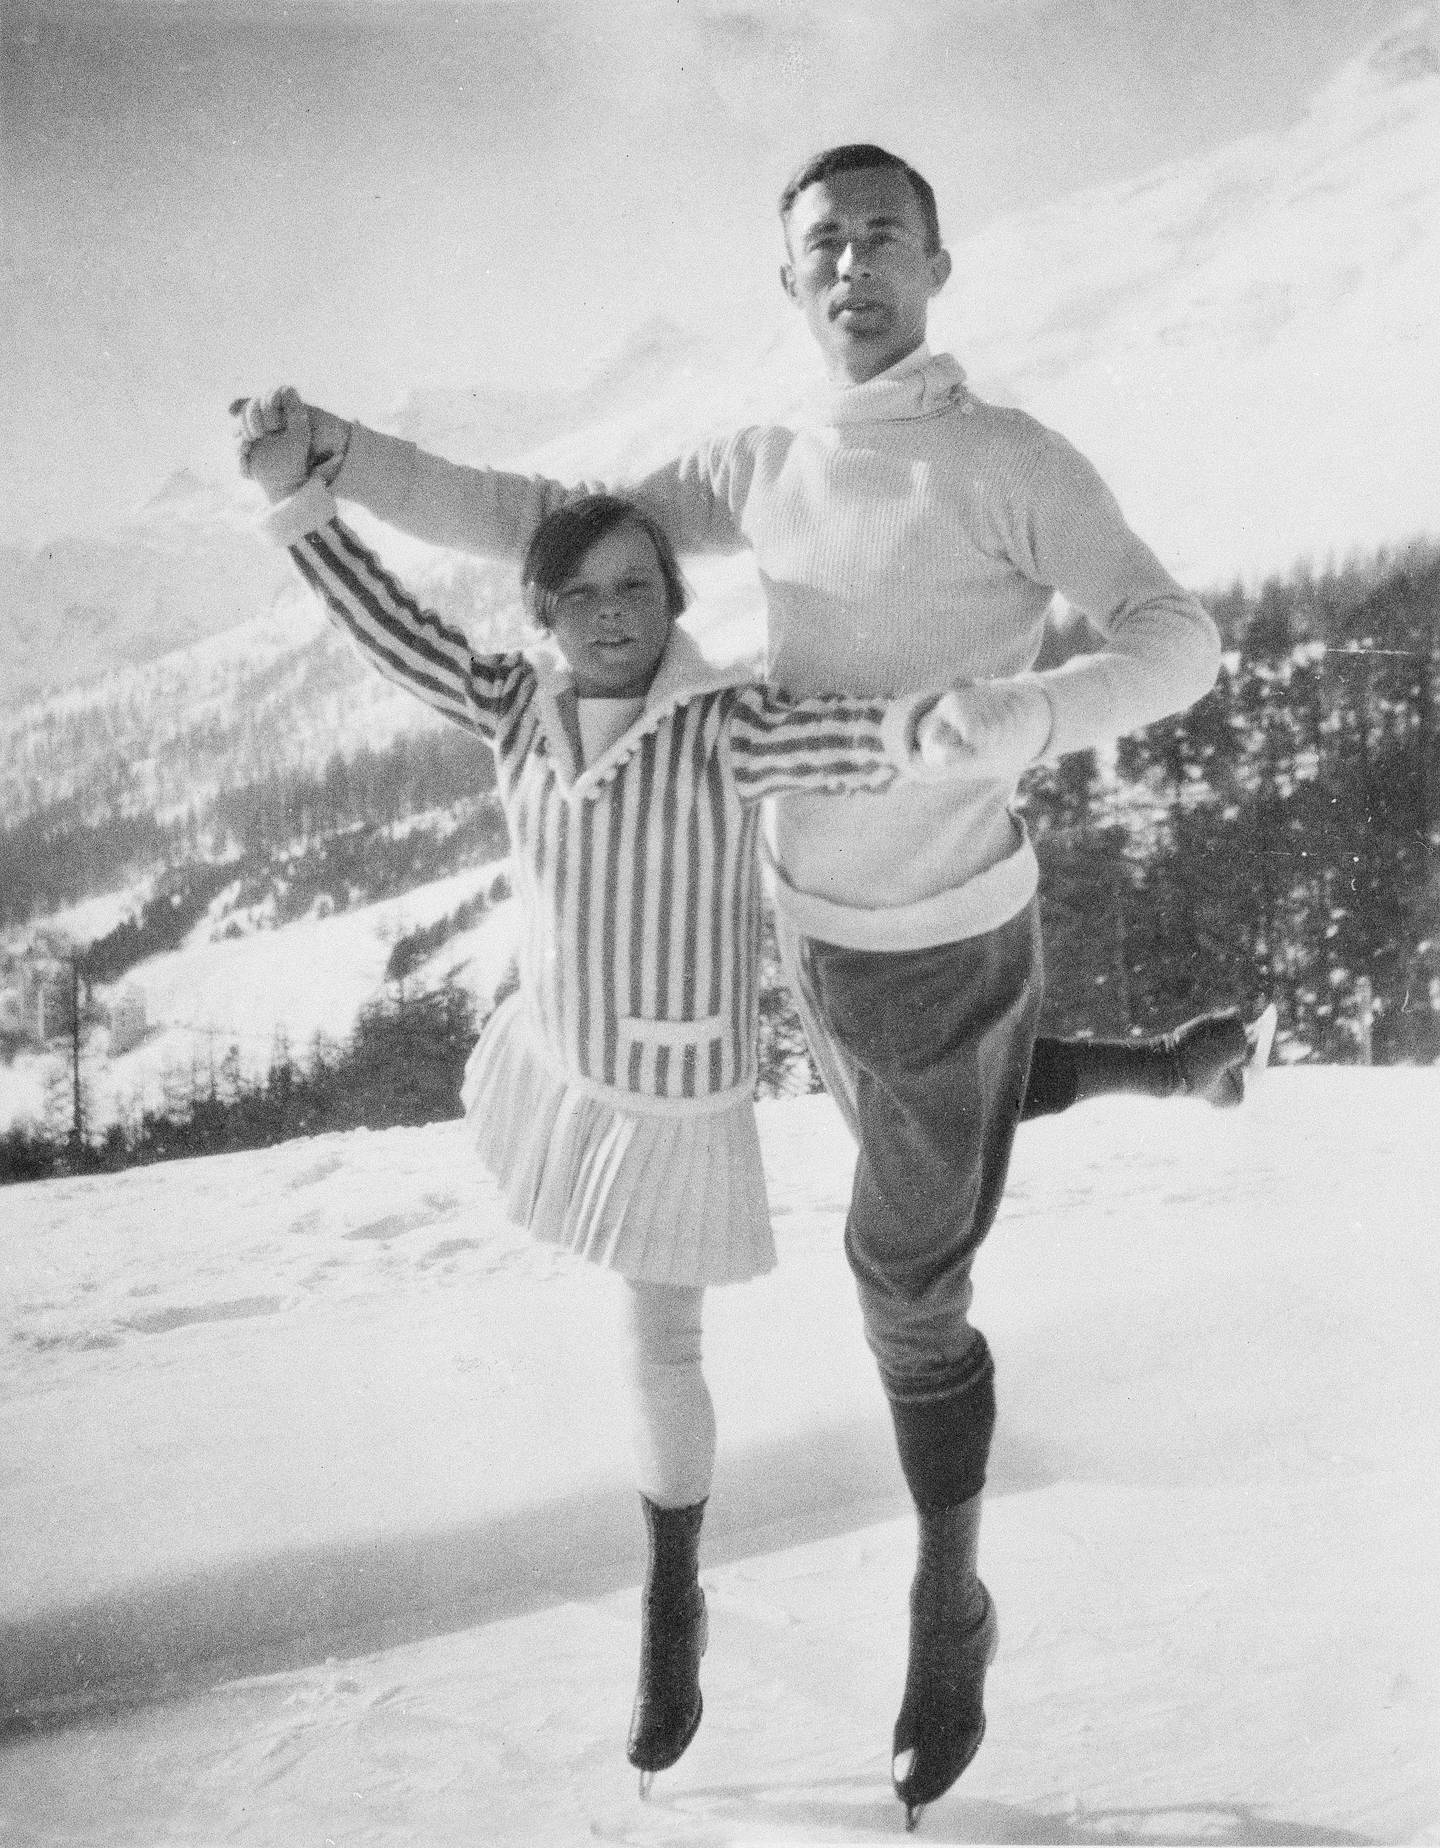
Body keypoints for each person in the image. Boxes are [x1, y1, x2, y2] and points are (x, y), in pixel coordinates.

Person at [236, 140, 1226, 1826]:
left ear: (937, 266)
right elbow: (540, 522)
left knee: (901, 1282)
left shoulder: (1013, 461)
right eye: (824, 243)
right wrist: (338, 457)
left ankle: (951, 1600)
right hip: (808, 932)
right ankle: (1153, 1064)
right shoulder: (766, 463)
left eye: (886, 237)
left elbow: (1177, 636)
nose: (855, 266)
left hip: (947, 933)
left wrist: (1031, 714)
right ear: (788, 281)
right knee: (916, 1133)